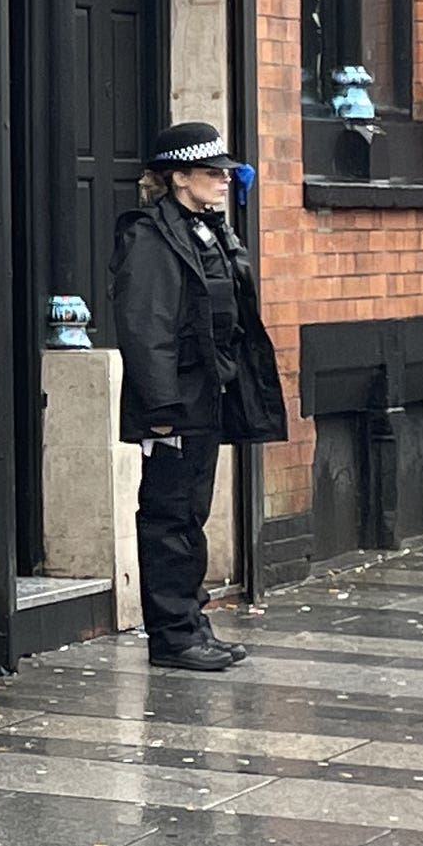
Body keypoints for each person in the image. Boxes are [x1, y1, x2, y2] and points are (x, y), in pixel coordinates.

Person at [113, 121, 286, 671]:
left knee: (192, 514)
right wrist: (161, 414)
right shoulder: (147, 235)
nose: (223, 180)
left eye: (225, 171)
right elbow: (145, 328)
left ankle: (192, 624)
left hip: (208, 395)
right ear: (179, 177)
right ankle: (173, 636)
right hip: (174, 405)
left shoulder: (209, 228)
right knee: (168, 517)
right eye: (213, 172)